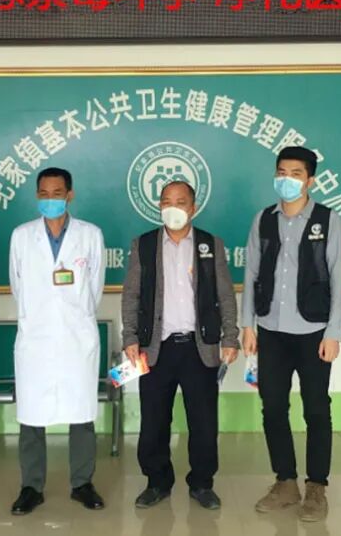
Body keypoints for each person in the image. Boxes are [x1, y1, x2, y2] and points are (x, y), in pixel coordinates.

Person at [240, 146, 341, 523]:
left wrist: (334, 333)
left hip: (313, 331)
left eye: (296, 174)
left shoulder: (327, 220)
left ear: (310, 180)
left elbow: (339, 278)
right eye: (281, 172)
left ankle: (316, 487)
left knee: (316, 408)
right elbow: (251, 273)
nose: (287, 180)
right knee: (273, 407)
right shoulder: (263, 220)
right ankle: (285, 482)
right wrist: (247, 324)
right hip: (270, 329)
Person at [121, 181, 240, 510]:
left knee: (203, 422)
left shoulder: (210, 244)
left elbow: (225, 295)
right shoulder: (144, 245)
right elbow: (131, 295)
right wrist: (130, 337)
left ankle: (202, 483)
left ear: (193, 207)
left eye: (181, 201)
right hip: (154, 348)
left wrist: (230, 337)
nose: (173, 207)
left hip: (199, 348)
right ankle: (157, 481)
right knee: (154, 421)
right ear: (159, 206)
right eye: (166, 201)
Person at [8, 167, 107, 515]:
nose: (50, 199)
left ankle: (82, 483)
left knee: (82, 413)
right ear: (37, 195)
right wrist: (41, 315)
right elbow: (17, 285)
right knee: (31, 415)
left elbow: (95, 287)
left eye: (57, 193)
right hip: (35, 337)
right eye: (44, 193)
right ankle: (31, 487)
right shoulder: (22, 236)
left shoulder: (90, 235)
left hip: (77, 336)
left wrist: (73, 316)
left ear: (70, 195)